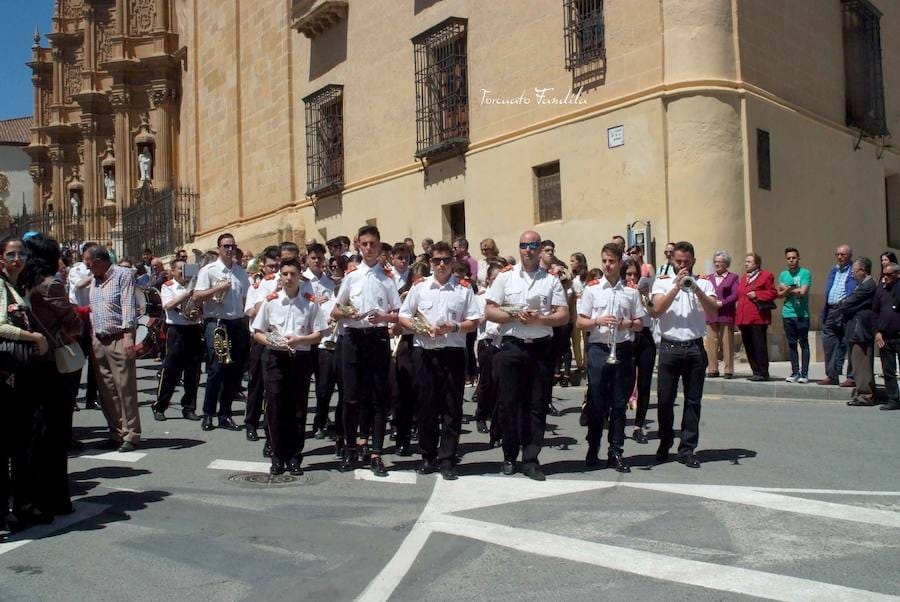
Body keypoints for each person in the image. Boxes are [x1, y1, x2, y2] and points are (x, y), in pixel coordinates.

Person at [485, 230, 569, 481]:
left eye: (533, 245)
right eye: (524, 245)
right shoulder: (506, 278)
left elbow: (563, 315)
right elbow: (490, 311)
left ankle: (531, 458)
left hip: (541, 348)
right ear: (519, 248)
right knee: (508, 403)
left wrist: (541, 318)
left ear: (540, 247)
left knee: (537, 403)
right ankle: (510, 455)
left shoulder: (550, 280)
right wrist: (513, 315)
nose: (528, 250)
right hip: (513, 346)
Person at [399, 242, 481, 480]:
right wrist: (418, 327)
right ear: (430, 262)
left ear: (453, 261)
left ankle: (447, 459)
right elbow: (404, 315)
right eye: (437, 260)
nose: (442, 265)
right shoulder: (420, 287)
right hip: (425, 353)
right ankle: (428, 455)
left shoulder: (464, 289)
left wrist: (454, 326)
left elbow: (474, 320)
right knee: (426, 407)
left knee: (451, 408)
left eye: (446, 260)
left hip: (452, 354)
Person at [331, 225, 401, 477]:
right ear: (358, 246)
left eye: (373, 244)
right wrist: (349, 312)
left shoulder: (387, 278)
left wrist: (384, 316)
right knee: (350, 397)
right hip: (353, 338)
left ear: (380, 246)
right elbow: (335, 311)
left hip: (378, 338)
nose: (369, 248)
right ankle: (350, 448)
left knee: (379, 397)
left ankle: (376, 453)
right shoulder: (351, 277)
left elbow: (399, 314)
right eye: (364, 244)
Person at [21, 234, 81, 518]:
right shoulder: (50, 284)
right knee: (56, 434)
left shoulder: (22, 283)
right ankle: (56, 498)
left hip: (29, 361)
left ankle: (35, 497)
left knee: (36, 433)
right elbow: (73, 322)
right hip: (54, 363)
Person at [252, 258, 326, 475]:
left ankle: (295, 456)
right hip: (276, 358)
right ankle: (277, 455)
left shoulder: (310, 302)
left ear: (300, 275)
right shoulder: (271, 301)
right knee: (275, 407)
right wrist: (274, 342)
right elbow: (257, 332)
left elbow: (320, 333)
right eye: (285, 274)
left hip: (300, 359)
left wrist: (300, 340)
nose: (289, 278)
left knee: (298, 409)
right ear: (280, 277)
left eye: (293, 274)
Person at [576, 244, 645, 472]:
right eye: (604, 261)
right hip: (599, 348)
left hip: (622, 349)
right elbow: (580, 322)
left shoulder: (631, 291)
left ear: (619, 263)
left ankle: (616, 451)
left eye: (612, 261)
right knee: (597, 402)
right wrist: (598, 321)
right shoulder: (592, 289)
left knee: (619, 404)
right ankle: (592, 449)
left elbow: (639, 323)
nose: (607, 265)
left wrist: (625, 323)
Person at [650, 241, 718, 468]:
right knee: (665, 400)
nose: (682, 266)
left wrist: (695, 287)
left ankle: (687, 448)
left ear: (693, 261)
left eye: (686, 262)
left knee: (693, 401)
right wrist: (677, 286)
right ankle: (665, 441)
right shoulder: (661, 283)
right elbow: (657, 310)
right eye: (678, 261)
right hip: (670, 347)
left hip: (695, 348)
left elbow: (713, 310)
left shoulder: (705, 284)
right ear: (672, 261)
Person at [1, 236, 50, 531]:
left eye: (20, 254)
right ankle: (10, 509)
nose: (17, 259)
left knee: (22, 441)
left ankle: (21, 504)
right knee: (13, 442)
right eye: (10, 254)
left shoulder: (17, 287)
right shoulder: (2, 286)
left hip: (20, 375)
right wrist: (34, 338)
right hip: (7, 376)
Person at [192, 233, 251, 432]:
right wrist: (216, 289)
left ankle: (225, 413)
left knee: (234, 372)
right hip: (217, 323)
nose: (229, 249)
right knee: (217, 368)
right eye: (225, 246)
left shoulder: (241, 272)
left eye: (232, 246)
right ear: (219, 248)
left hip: (236, 323)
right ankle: (208, 413)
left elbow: (246, 299)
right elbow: (197, 296)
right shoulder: (209, 270)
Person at [86, 245, 141, 452]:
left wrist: (128, 335)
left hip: (119, 336)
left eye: (88, 263)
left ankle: (131, 434)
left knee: (124, 387)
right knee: (107, 389)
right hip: (99, 338)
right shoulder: (94, 279)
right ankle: (116, 432)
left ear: (99, 261)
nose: (87, 267)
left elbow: (128, 305)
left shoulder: (123, 275)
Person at [152, 259, 203, 421]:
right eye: (180, 269)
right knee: (170, 371)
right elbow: (168, 305)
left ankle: (189, 407)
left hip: (194, 329)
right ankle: (160, 405)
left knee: (193, 372)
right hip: (176, 331)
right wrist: (187, 294)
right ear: (172, 271)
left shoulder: (197, 286)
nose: (183, 271)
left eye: (185, 268)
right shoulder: (168, 286)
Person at [242, 246, 281, 440]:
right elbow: (251, 311)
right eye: (271, 267)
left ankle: (271, 426)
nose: (274, 271)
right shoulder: (257, 287)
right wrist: (272, 294)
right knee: (256, 383)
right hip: (260, 338)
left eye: (277, 266)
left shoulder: (289, 284)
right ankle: (251, 422)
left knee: (274, 388)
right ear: (263, 267)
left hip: (278, 339)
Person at [304, 243, 337, 439]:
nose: (317, 261)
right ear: (307, 259)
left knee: (324, 385)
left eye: (320, 258)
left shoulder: (329, 283)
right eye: (313, 258)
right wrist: (315, 302)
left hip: (324, 339)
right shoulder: (302, 281)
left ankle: (321, 419)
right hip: (306, 338)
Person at [623, 258, 656, 444]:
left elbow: (654, 312)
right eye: (628, 274)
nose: (632, 277)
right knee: (625, 382)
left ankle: (639, 425)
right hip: (627, 337)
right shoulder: (620, 292)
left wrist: (645, 296)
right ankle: (617, 421)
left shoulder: (646, 292)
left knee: (644, 383)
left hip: (645, 336)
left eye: (635, 274)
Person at [68, 241, 99, 409]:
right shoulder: (76, 270)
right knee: (77, 361)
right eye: (89, 257)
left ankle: (91, 398)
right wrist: (95, 274)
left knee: (95, 361)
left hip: (94, 317)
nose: (91, 261)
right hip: (80, 317)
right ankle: (72, 397)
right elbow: (79, 286)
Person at [735, 253, 776, 381]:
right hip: (744, 317)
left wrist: (757, 294)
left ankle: (763, 372)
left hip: (757, 318)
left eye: (749, 262)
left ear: (757, 264)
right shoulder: (743, 279)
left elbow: (773, 293)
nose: (746, 264)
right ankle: (755, 371)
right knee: (749, 346)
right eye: (746, 261)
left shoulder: (765, 276)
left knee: (759, 345)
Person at [474, 262, 503, 442]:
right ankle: (481, 415)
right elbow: (477, 319)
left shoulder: (507, 296)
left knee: (500, 384)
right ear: (489, 280)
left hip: (502, 343)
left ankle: (497, 426)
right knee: (486, 382)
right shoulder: (481, 297)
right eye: (495, 278)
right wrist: (493, 314)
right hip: (486, 341)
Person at [820, 244, 856, 386]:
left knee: (849, 344)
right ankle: (832, 375)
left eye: (843, 254)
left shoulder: (854, 271)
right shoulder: (833, 271)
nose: (840, 257)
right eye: (838, 254)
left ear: (849, 256)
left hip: (846, 311)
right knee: (829, 344)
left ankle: (852, 377)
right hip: (831, 310)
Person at [844, 258, 878, 406]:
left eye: (855, 271)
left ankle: (866, 395)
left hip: (862, 330)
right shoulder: (862, 285)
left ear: (863, 271)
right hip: (856, 328)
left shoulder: (868, 285)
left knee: (861, 362)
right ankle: (862, 392)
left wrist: (844, 306)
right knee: (857, 363)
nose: (853, 275)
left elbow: (849, 303)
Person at [777, 247, 812, 383]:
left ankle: (804, 373)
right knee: (791, 344)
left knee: (803, 343)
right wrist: (789, 290)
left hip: (802, 314)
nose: (791, 260)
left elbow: (803, 292)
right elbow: (779, 295)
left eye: (794, 258)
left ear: (798, 258)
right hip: (788, 313)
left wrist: (787, 289)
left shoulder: (805, 273)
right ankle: (795, 372)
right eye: (789, 258)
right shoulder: (783, 275)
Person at [704, 251, 738, 378]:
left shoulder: (733, 277)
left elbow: (735, 295)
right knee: (711, 342)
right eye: (716, 262)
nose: (717, 264)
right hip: (711, 313)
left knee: (727, 342)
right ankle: (712, 368)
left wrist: (722, 303)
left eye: (720, 262)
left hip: (726, 313)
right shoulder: (709, 278)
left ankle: (728, 370)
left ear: (726, 264)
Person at [874, 263, 900, 410]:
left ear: (897, 274)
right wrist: (877, 332)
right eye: (884, 274)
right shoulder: (881, 291)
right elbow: (874, 313)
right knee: (888, 371)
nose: (886, 277)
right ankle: (893, 399)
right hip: (885, 336)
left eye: (889, 274)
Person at [568, 252, 589, 374]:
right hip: (575, 309)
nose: (571, 263)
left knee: (584, 337)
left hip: (582, 309)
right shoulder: (572, 277)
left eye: (573, 261)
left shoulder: (585, 277)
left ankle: (585, 362)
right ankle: (581, 363)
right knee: (576, 338)